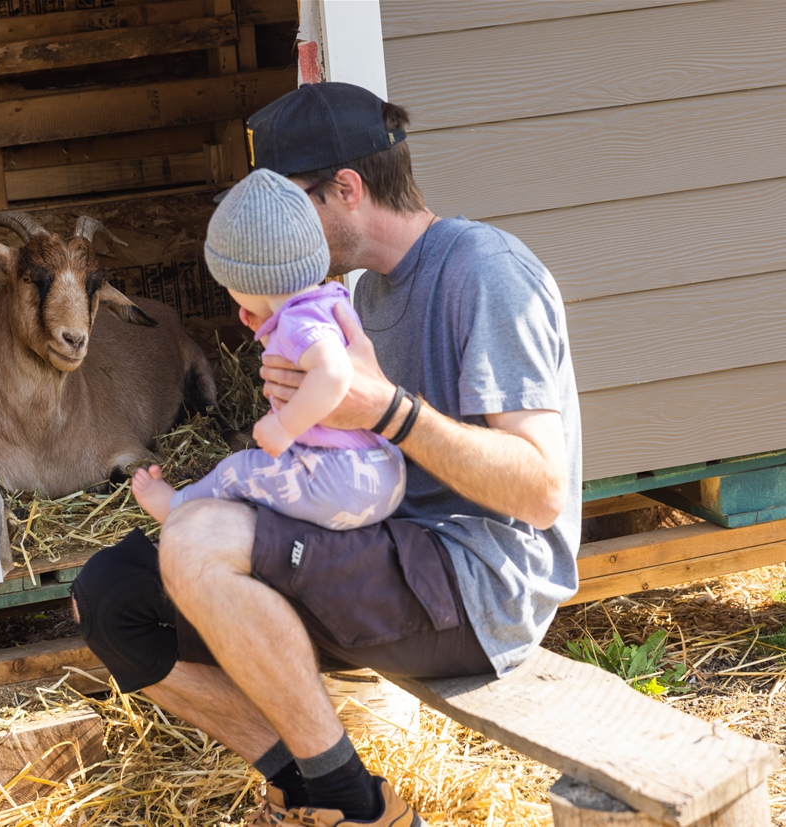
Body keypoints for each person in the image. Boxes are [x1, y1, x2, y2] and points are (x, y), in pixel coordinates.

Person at [70, 82, 581, 827]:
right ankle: (307, 785)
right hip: (380, 548)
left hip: (476, 582)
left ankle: (358, 809)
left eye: (287, 210)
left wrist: (387, 409)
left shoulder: (487, 272)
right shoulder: (354, 295)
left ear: (345, 189)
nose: (271, 239)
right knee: (111, 592)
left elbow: (541, 492)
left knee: (201, 537)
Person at [131, 168, 407, 532]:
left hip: (343, 478)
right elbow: (307, 355)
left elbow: (335, 372)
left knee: (238, 469)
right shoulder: (327, 300)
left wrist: (283, 425)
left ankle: (176, 506)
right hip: (386, 470)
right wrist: (267, 328)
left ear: (249, 281)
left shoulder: (297, 323)